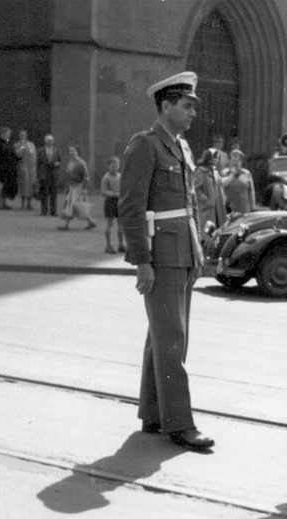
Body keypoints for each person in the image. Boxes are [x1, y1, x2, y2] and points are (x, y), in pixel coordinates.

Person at [118, 71, 214, 452]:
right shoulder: (145, 146)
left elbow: (188, 205)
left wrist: (198, 253)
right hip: (161, 256)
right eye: (186, 105)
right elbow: (130, 208)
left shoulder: (182, 148)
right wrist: (142, 261)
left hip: (183, 253)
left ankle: (154, 412)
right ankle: (180, 424)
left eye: (193, 106)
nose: (192, 113)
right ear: (166, 105)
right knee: (172, 339)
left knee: (161, 336)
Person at [58, 145, 97, 231]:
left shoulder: (81, 163)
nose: (72, 153)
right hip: (71, 187)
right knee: (71, 205)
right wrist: (67, 187)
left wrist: (83, 188)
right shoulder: (70, 162)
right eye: (70, 151)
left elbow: (86, 176)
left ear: (77, 152)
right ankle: (89, 221)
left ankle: (90, 221)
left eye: (73, 151)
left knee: (76, 206)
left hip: (78, 186)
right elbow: (68, 176)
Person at [193, 148, 227, 235]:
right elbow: (196, 190)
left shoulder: (215, 172)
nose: (218, 160)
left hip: (218, 208)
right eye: (216, 158)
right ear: (210, 158)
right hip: (206, 209)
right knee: (206, 233)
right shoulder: (200, 171)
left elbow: (220, 187)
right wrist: (207, 201)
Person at [100, 156, 126, 254]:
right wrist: (116, 194)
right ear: (108, 166)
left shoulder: (120, 176)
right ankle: (108, 245)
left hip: (120, 202)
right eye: (112, 166)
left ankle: (121, 244)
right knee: (110, 224)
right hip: (110, 202)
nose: (114, 167)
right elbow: (103, 192)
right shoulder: (106, 178)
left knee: (121, 225)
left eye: (116, 165)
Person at [0, 126, 18, 210]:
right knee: (4, 185)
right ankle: (1, 203)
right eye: (8, 133)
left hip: (9, 168)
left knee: (7, 186)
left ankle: (2, 202)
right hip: (2, 168)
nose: (9, 135)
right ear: (3, 134)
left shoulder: (7, 142)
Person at [221, 149, 256, 213]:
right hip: (230, 208)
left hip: (244, 207)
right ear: (229, 161)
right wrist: (232, 174)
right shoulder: (225, 173)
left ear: (241, 162)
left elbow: (251, 190)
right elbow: (222, 187)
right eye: (233, 160)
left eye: (238, 161)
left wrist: (253, 205)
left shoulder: (246, 173)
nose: (235, 163)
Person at [36, 134, 62, 216]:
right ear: (45, 141)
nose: (50, 142)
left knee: (54, 194)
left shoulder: (56, 150)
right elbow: (37, 163)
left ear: (53, 141)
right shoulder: (40, 151)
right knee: (44, 194)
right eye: (48, 140)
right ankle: (44, 211)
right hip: (44, 175)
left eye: (51, 140)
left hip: (54, 175)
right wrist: (38, 175)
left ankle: (53, 211)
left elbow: (60, 161)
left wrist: (57, 164)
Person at [14, 130, 37, 210]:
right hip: (23, 167)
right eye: (21, 135)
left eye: (24, 135)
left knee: (31, 185)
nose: (23, 136)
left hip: (31, 167)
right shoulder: (17, 144)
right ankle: (23, 204)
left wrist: (34, 166)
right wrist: (22, 145)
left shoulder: (31, 144)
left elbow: (34, 155)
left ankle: (29, 203)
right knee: (23, 186)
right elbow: (18, 154)